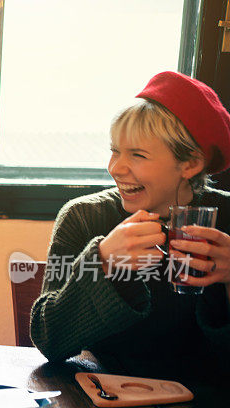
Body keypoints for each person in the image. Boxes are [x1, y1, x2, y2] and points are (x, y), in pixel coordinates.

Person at [30, 71, 230, 379]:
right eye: (114, 150)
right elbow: (49, 340)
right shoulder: (83, 217)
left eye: (137, 155)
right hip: (106, 405)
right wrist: (104, 261)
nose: (115, 168)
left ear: (190, 164)